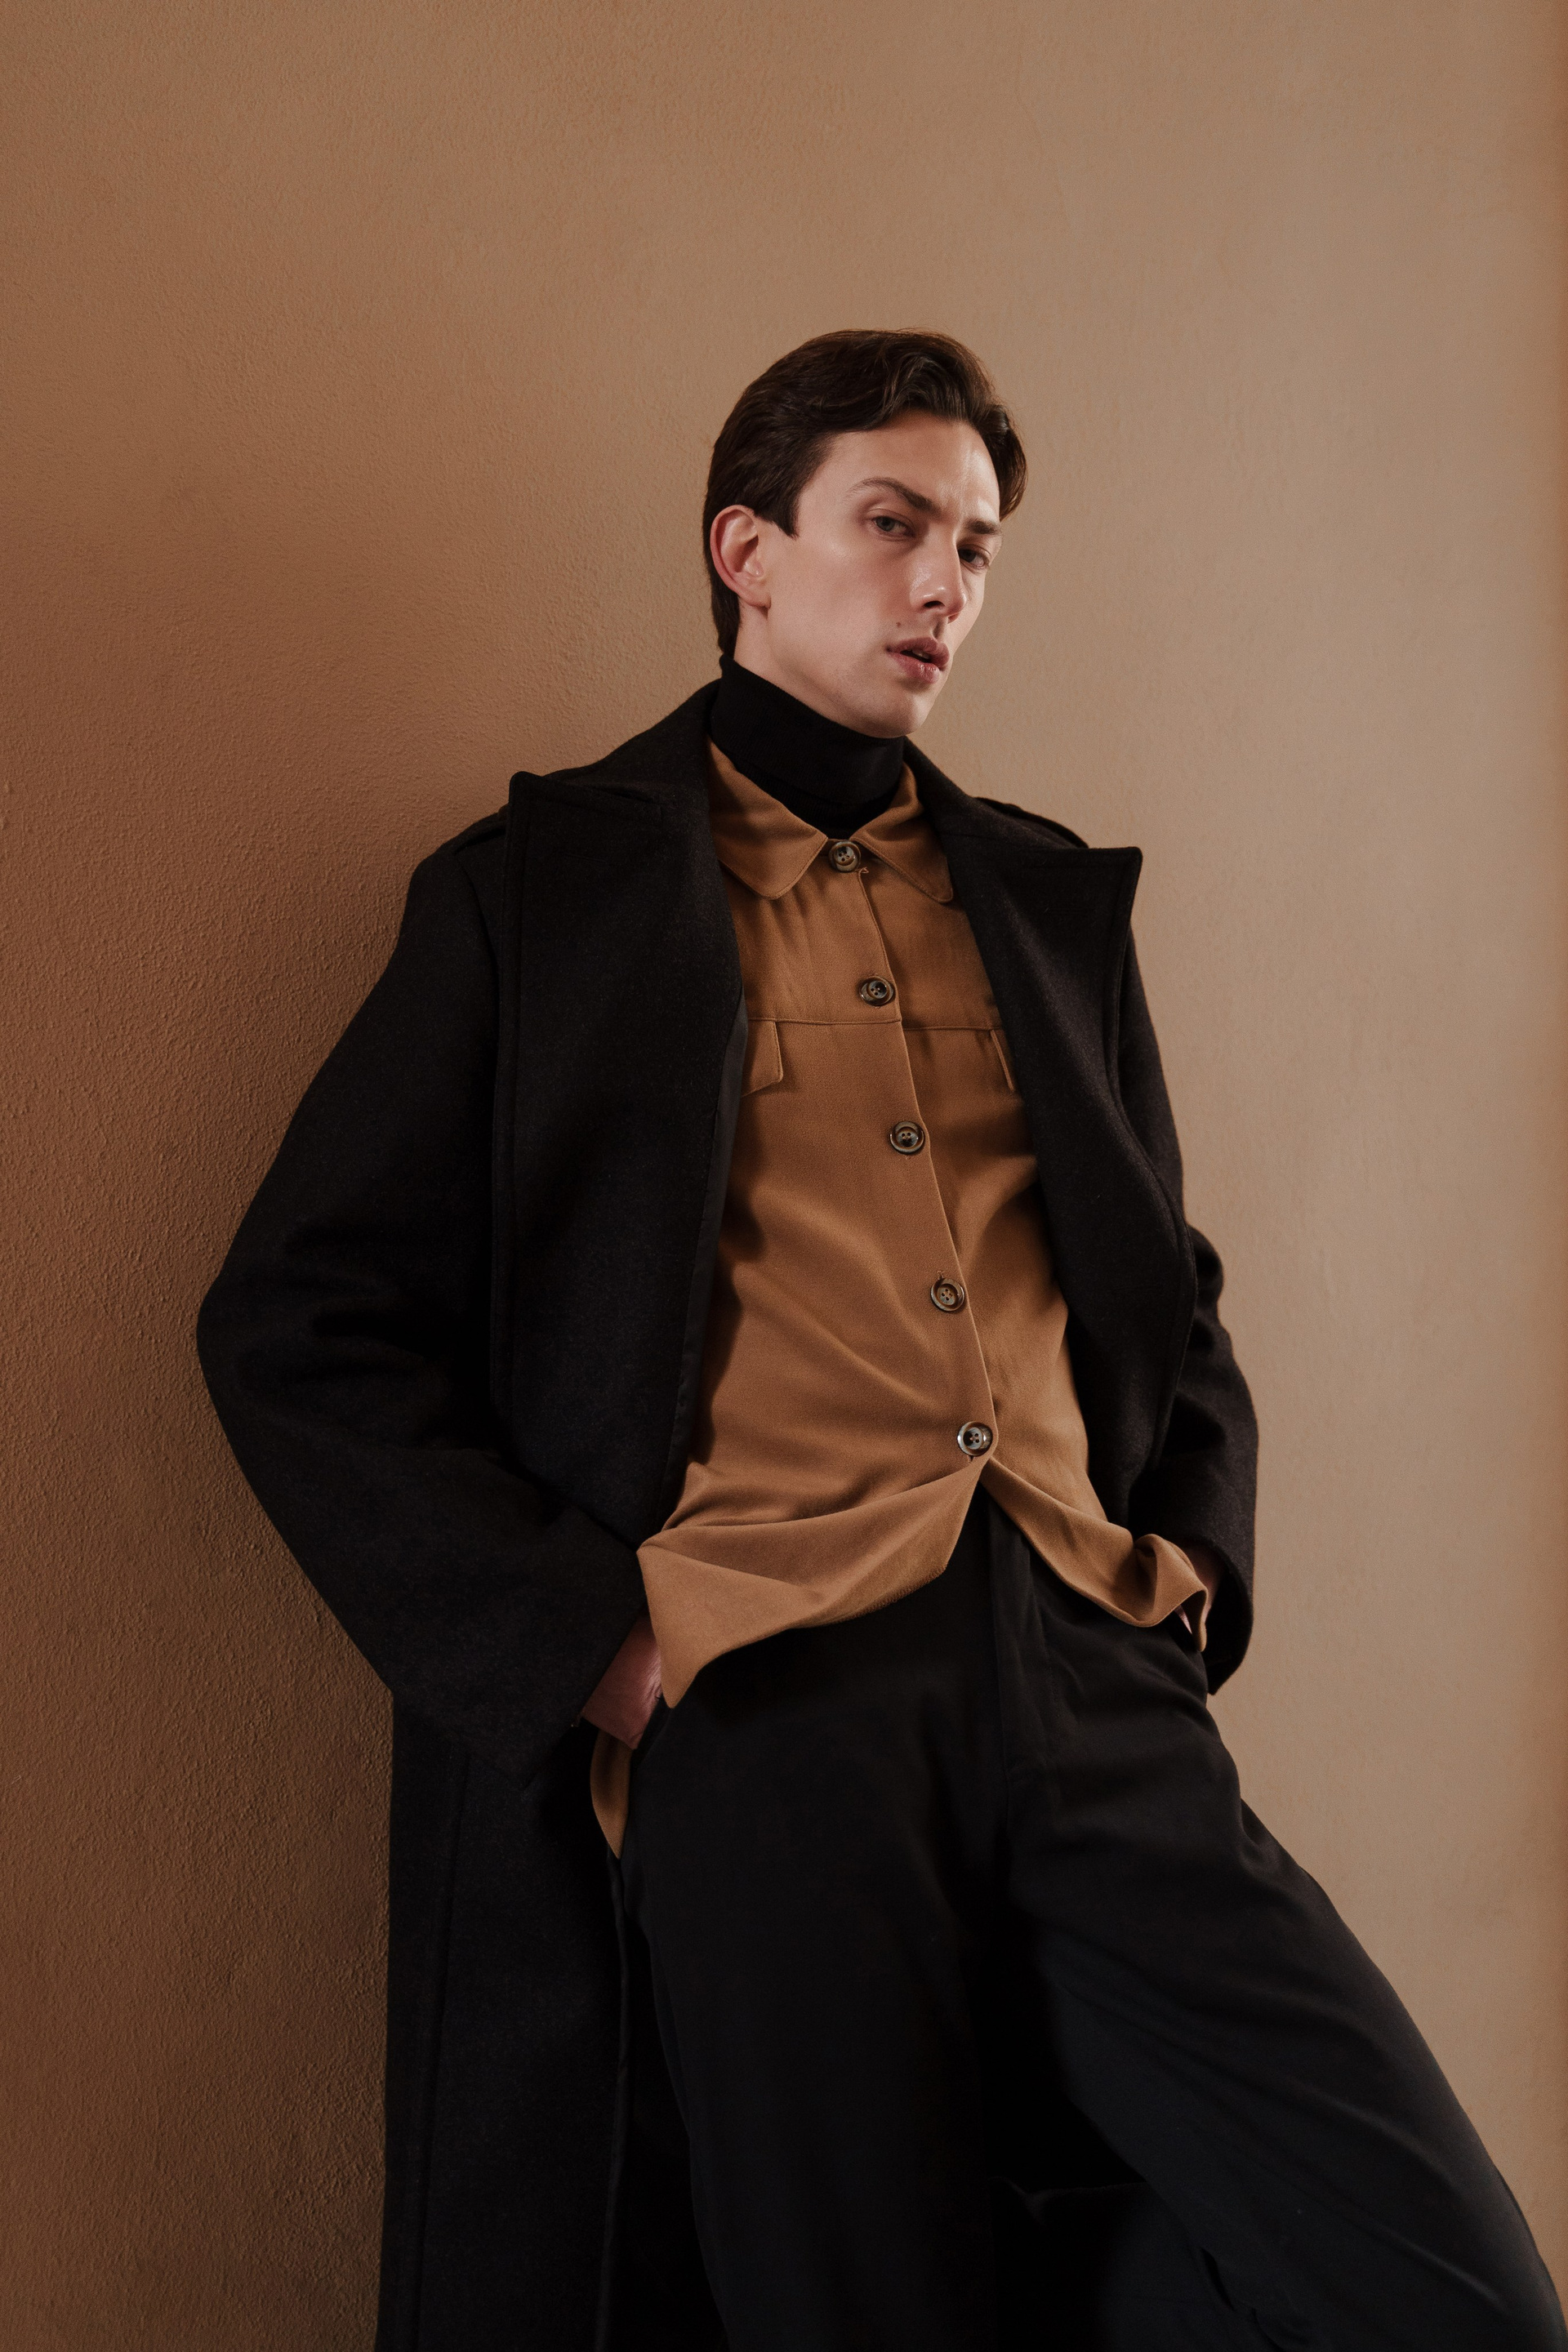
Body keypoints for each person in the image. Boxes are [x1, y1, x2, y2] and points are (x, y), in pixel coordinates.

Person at [198, 330, 1564, 2352]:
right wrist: (595, 1653)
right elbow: (297, 1323)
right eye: (894, 524)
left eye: (978, 546)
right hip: (766, 1709)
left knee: (1453, 2293)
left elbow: (1166, 1295)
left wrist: (1187, 1585)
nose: (945, 584)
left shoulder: (1048, 906)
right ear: (746, 550)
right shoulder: (542, 899)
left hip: (1095, 1680)